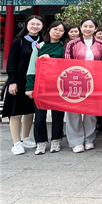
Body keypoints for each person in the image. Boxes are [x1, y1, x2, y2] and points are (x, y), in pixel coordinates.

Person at [64, 18, 102, 153]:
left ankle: (89, 139)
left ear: (95, 29)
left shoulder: (100, 44)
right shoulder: (72, 43)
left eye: (91, 26)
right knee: (73, 112)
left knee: (91, 112)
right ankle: (75, 141)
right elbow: (66, 63)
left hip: (94, 82)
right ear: (81, 28)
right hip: (75, 81)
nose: (88, 29)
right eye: (85, 26)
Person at [4, 15, 44, 155]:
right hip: (19, 81)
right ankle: (16, 142)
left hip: (35, 81)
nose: (35, 26)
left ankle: (25, 137)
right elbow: (11, 62)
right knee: (16, 111)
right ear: (26, 25)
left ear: (42, 26)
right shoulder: (19, 41)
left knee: (29, 110)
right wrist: (12, 81)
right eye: (32, 24)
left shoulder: (43, 42)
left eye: (38, 24)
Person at [25, 20, 66, 155]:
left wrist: (50, 60)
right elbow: (32, 68)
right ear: (49, 30)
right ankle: (41, 142)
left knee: (58, 115)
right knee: (40, 116)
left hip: (58, 86)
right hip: (41, 86)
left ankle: (56, 140)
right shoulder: (39, 46)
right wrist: (29, 87)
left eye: (61, 30)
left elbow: (66, 65)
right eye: (55, 29)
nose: (57, 32)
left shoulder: (64, 47)